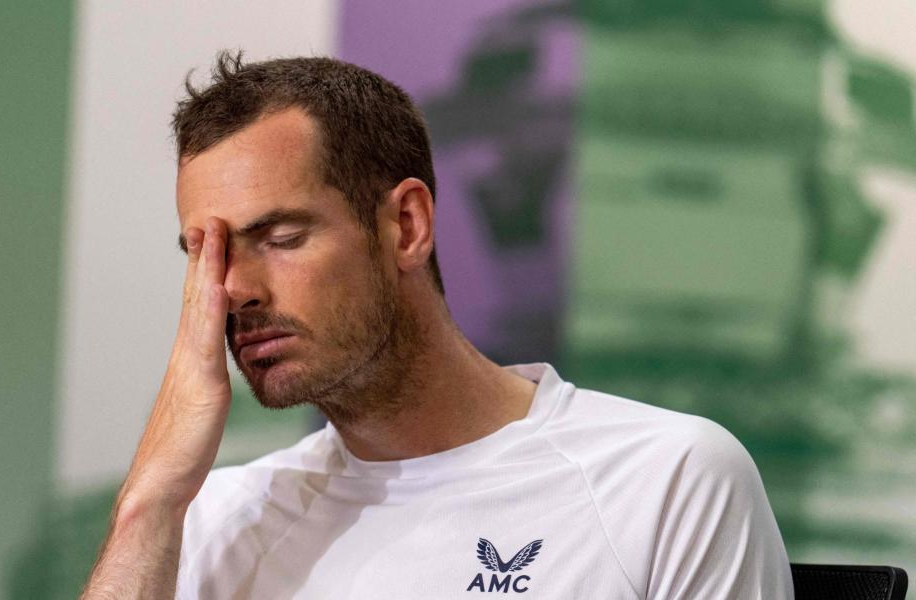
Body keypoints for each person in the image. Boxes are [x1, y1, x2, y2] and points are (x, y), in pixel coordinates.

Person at [80, 52, 794, 599]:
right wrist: (152, 499)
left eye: (280, 237)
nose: (231, 290)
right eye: (208, 256)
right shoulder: (217, 517)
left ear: (407, 225)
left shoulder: (665, 479)